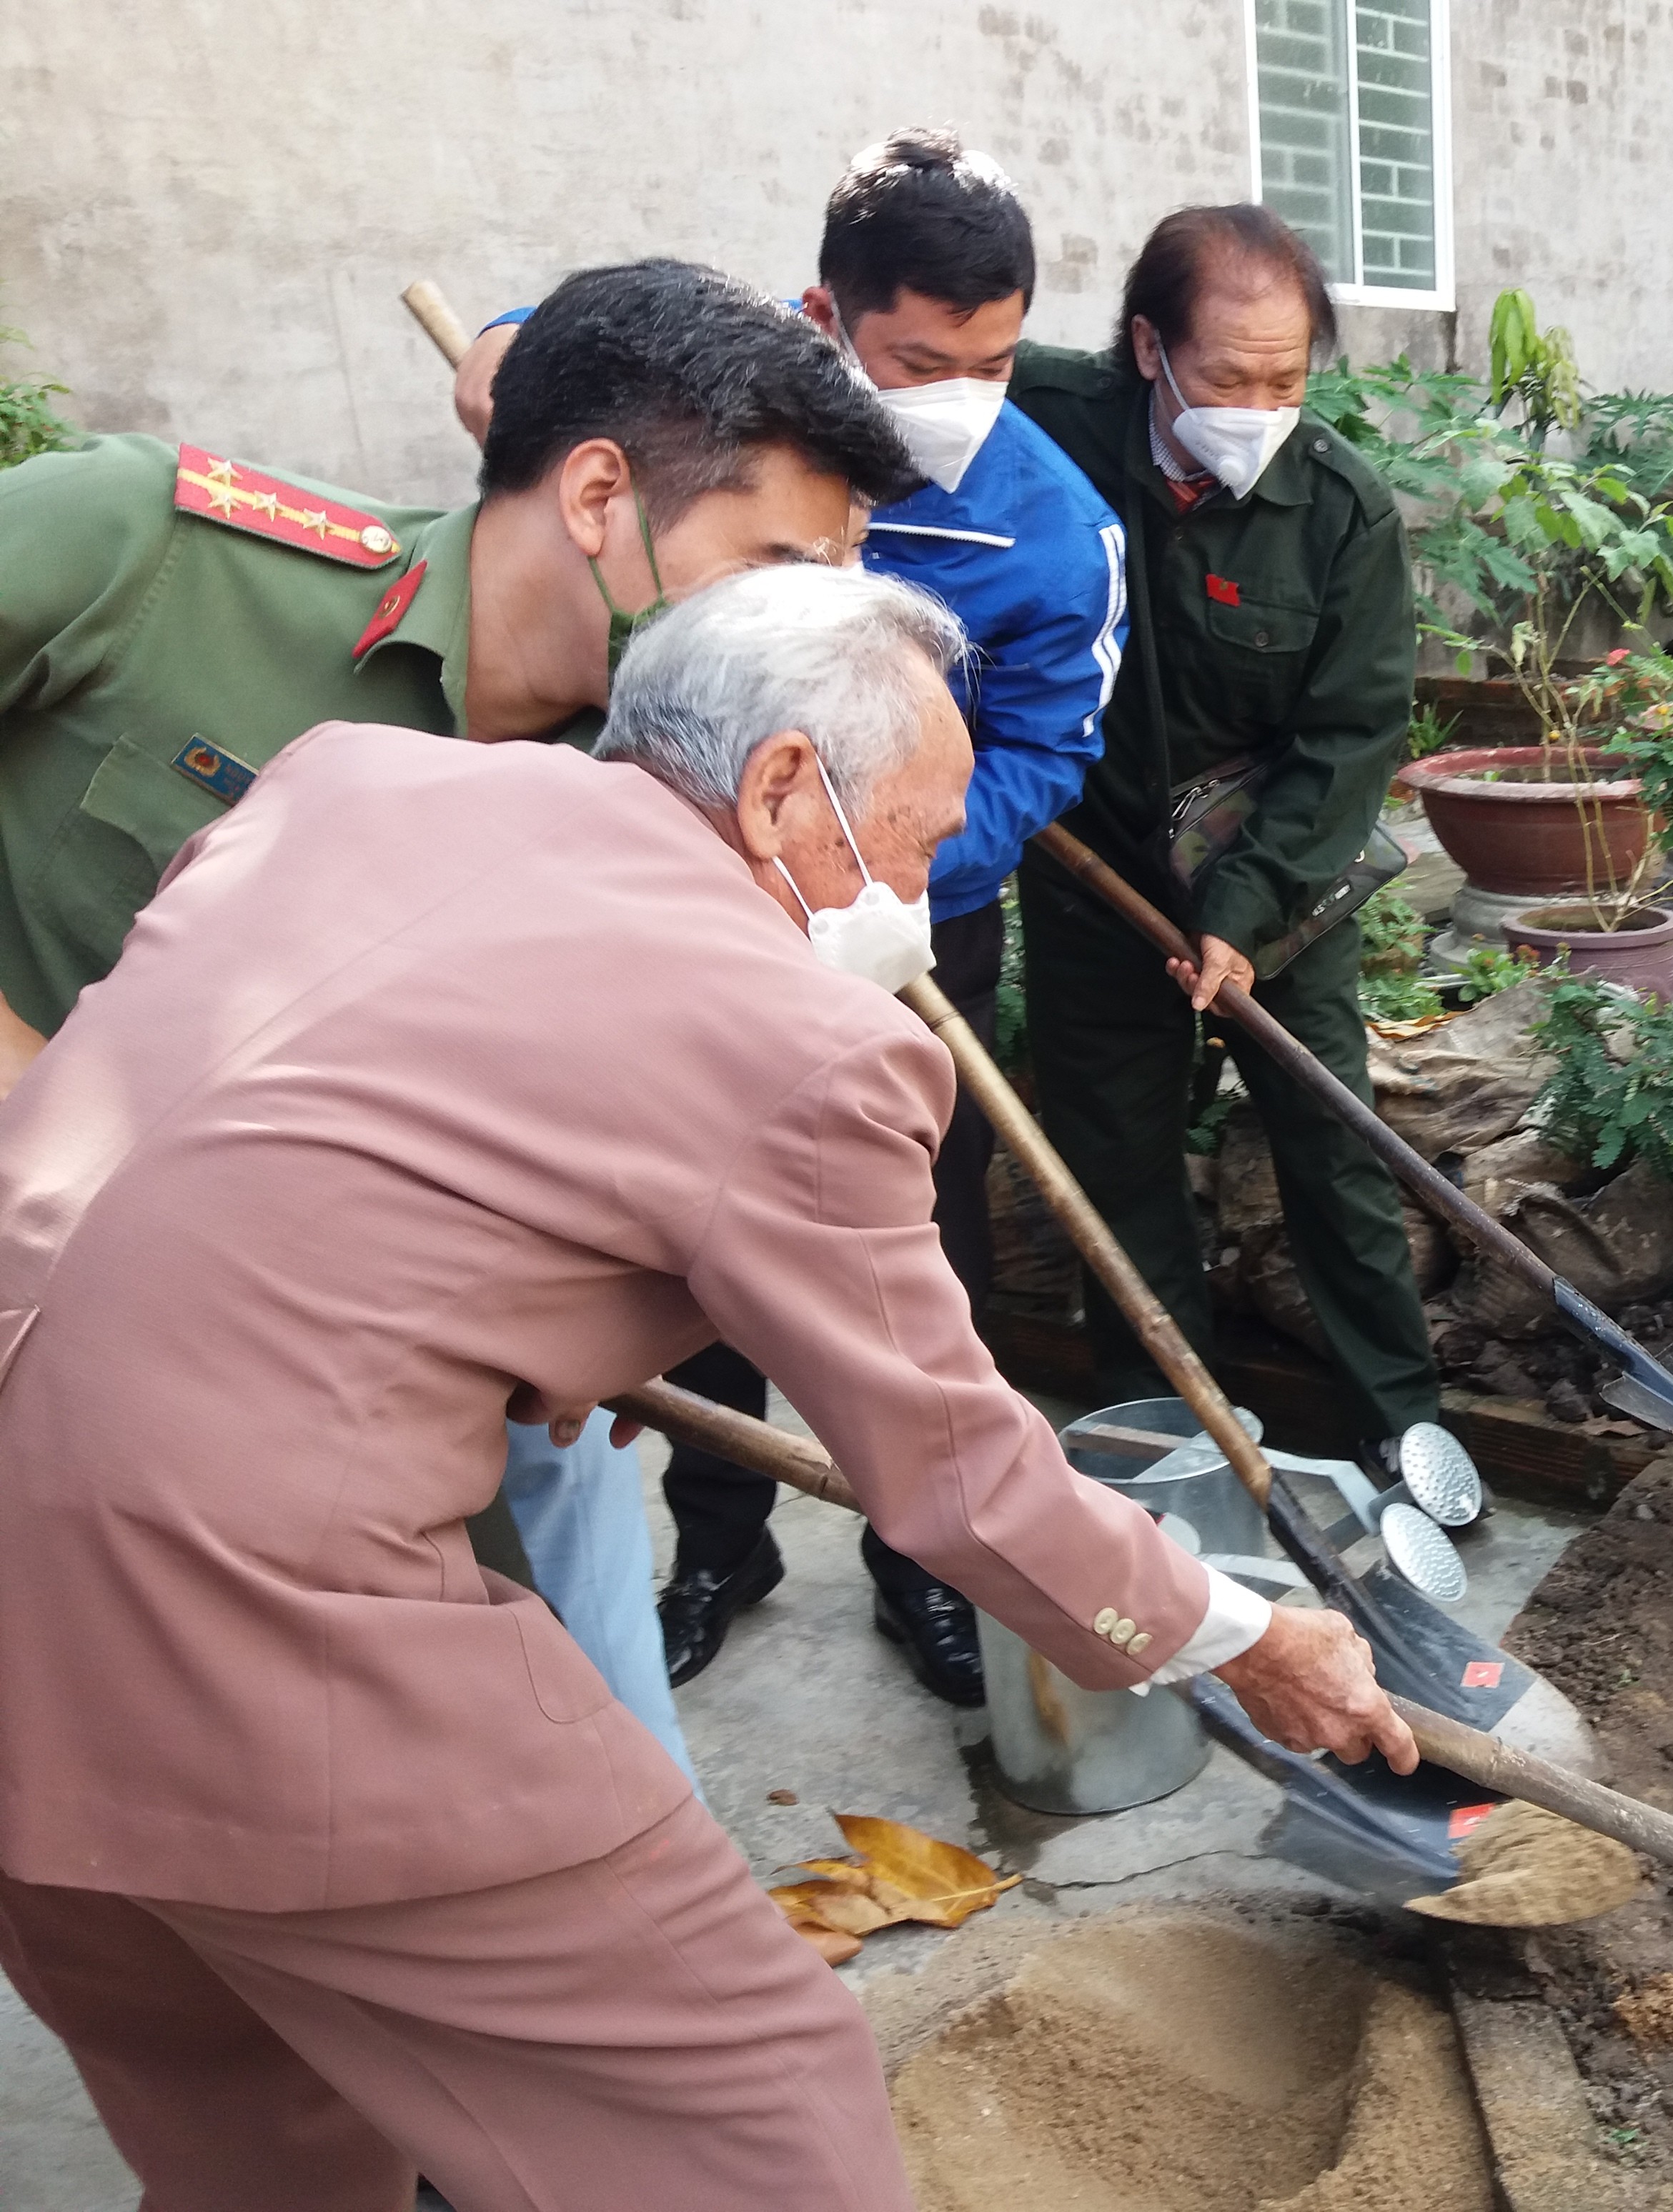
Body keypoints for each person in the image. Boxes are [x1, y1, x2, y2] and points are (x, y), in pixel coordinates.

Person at [0, 562, 1414, 2211]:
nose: (920, 883)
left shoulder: (359, 778)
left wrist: (501, 1314)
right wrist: (1239, 1639)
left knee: (267, 2140)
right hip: (253, 1645)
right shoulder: (803, 1044)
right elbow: (959, 1477)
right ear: (783, 786)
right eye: (915, 834)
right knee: (757, 2115)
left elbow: (289, 1111)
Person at [0, 256, 916, 1775]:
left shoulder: (657, 812)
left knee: (502, 1771)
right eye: (771, 564)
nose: (800, 633)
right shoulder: (161, 553)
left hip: (355, 1404)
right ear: (600, 494)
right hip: (46, 1326)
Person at [455, 134, 1128, 1706]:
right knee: (686, 1225)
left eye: (996, 359)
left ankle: (928, 1565)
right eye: (917, 359)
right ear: (827, 314)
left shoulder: (1054, 524)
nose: (957, 391)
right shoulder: (713, 409)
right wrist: (502, 341)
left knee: (920, 1239)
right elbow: (565, 352)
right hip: (654, 896)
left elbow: (1045, 751)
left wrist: (892, 878)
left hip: (892, 922)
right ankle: (722, 1538)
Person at [1007, 206, 1443, 1478]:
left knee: (1331, 1141)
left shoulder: (1340, 512)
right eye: (1228, 378)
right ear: (1149, 348)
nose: (1259, 407)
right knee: (1118, 1156)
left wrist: (1242, 914)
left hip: (1277, 876)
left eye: (1289, 380)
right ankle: (1164, 1426)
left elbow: (1350, 740)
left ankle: (1399, 1420)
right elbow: (860, 355)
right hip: (1090, 866)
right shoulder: (1043, 419)